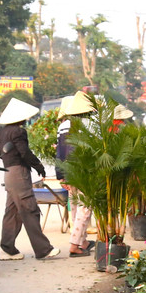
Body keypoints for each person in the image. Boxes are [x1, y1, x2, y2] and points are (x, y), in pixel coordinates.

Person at [0, 98, 60, 260]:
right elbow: (24, 153)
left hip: (8, 173)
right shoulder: (18, 132)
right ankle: (43, 250)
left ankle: (8, 249)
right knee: (29, 210)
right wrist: (39, 166)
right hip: (19, 174)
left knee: (12, 212)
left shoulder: (2, 132)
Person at [56, 91, 95, 257]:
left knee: (76, 209)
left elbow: (59, 153)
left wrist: (61, 175)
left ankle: (83, 241)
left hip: (70, 173)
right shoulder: (91, 125)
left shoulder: (63, 126)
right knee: (85, 210)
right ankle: (74, 245)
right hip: (86, 173)